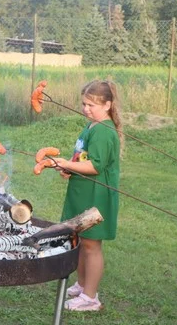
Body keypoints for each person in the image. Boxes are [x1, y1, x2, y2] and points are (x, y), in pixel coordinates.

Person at [47, 80, 122, 312]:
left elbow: (96, 166)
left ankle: (90, 298)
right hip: (82, 192)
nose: (86, 109)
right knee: (80, 241)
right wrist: (68, 167)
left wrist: (68, 163)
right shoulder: (91, 126)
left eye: (91, 105)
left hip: (95, 195)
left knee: (91, 245)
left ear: (107, 105)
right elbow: (83, 159)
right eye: (83, 104)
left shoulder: (103, 130)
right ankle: (82, 285)